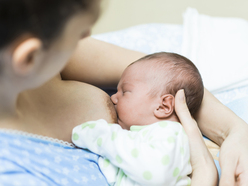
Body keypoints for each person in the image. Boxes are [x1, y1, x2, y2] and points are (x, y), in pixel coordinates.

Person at [0, 0, 246, 185]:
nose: (88, 38)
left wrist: (233, 130)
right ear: (29, 57)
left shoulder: (38, 56)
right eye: (78, 33)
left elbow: (166, 77)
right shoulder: (15, 172)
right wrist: (204, 172)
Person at [72, 52, 205, 185]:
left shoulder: (170, 133)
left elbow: (155, 174)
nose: (113, 98)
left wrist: (102, 136)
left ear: (163, 106)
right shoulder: (143, 135)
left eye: (125, 92)